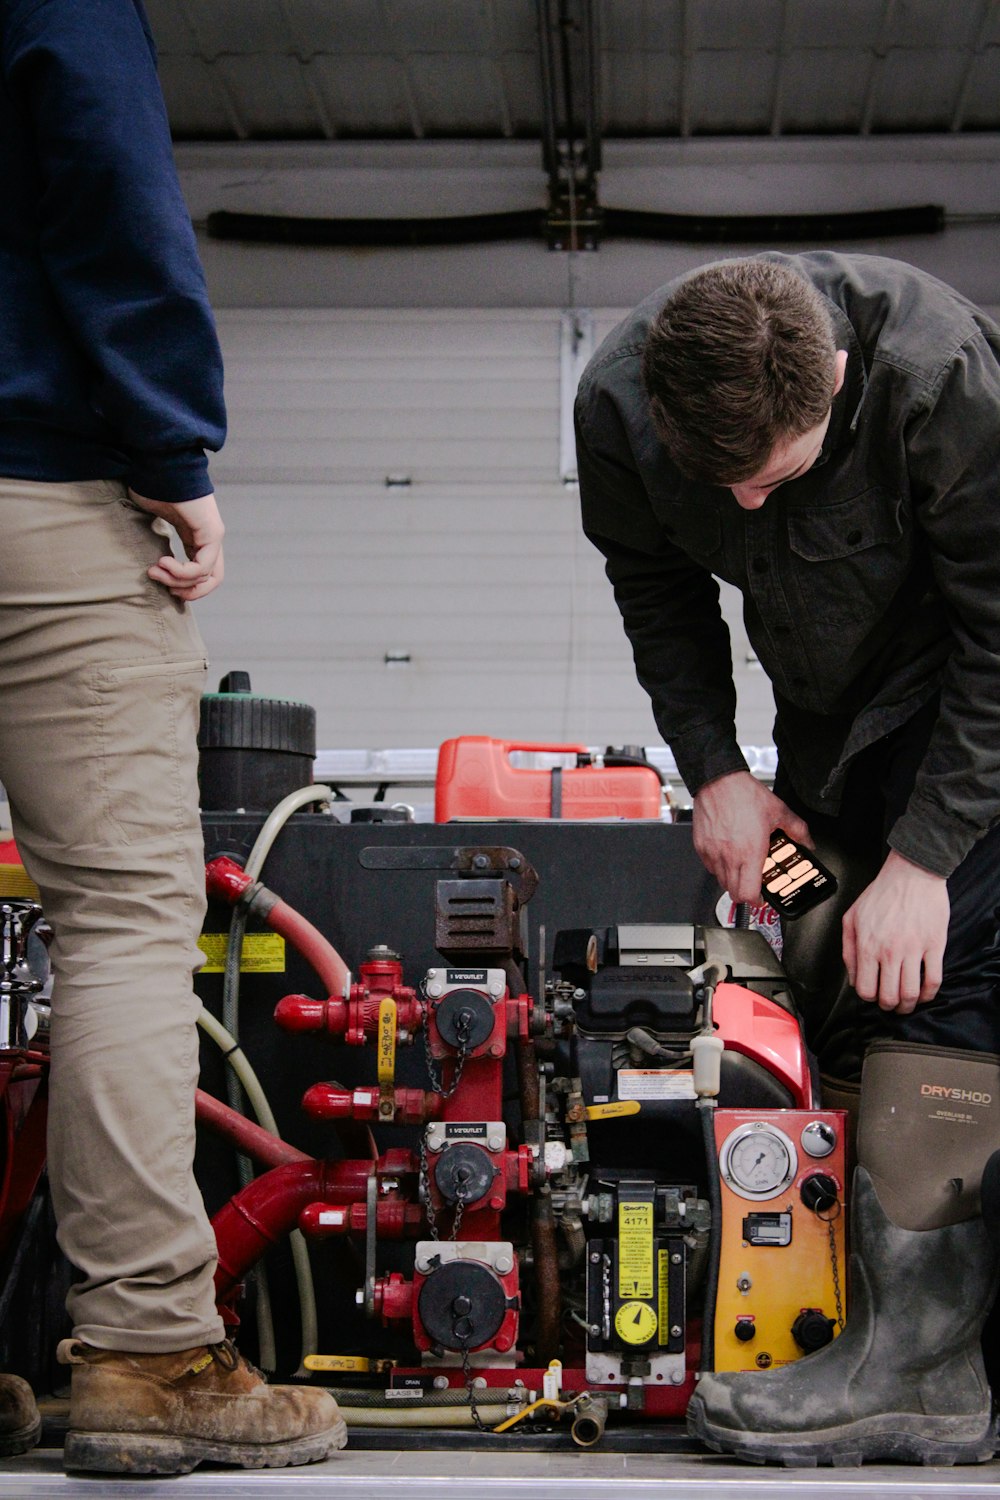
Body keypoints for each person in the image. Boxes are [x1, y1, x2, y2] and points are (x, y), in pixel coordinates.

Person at [575, 252, 1000, 1465]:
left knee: (936, 977)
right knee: (820, 944)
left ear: (836, 378)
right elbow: (654, 589)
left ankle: (921, 1377)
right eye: (726, 489)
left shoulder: (939, 380)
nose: (751, 511)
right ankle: (873, 1329)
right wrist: (716, 771)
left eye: (779, 476)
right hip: (826, 729)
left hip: (969, 711)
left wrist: (926, 861)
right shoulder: (616, 403)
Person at [0, 0, 345, 1476]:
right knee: (127, 917)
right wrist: (171, 444)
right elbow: (105, 171)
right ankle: (147, 1350)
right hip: (37, 488)